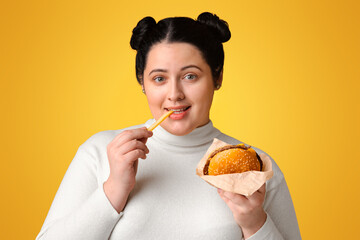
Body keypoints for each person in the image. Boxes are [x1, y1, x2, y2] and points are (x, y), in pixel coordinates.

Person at [36, 12, 301, 240]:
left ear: (217, 76)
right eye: (159, 78)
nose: (174, 94)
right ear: (142, 82)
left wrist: (256, 224)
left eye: (190, 76)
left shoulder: (253, 165)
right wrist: (113, 189)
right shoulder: (101, 151)